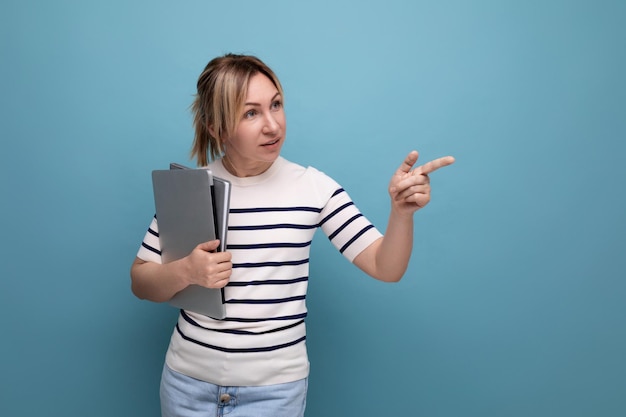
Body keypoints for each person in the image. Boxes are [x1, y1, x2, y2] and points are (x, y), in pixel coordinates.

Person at [130, 53, 455, 417]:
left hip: (275, 394)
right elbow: (141, 282)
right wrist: (186, 272)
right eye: (251, 113)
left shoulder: (313, 188)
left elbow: (385, 266)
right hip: (186, 385)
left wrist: (401, 213)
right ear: (216, 127)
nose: (273, 125)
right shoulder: (190, 189)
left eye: (276, 105)